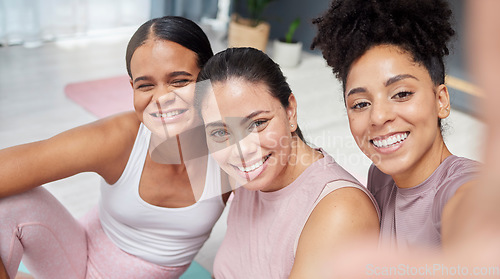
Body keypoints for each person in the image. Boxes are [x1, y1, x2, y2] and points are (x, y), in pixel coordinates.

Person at [0, 16, 229, 279]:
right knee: (9, 205)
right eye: (146, 85)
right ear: (132, 88)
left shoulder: (232, 146)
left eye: (179, 80)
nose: (163, 99)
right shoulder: (119, 137)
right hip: (76, 257)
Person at [194, 47, 380, 278]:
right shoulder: (248, 175)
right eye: (221, 133)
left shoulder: (340, 211)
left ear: (290, 112)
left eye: (257, 123)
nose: (241, 150)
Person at [311, 0, 480, 252]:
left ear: (441, 100)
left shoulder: (465, 189)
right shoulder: (380, 177)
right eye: (360, 104)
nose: (378, 117)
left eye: (401, 94)